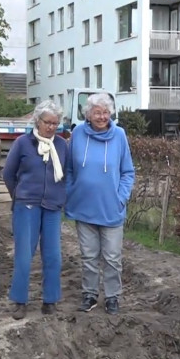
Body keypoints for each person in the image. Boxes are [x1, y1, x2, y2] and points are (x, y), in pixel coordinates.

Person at [65, 92, 135, 315]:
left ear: (111, 114)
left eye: (106, 112)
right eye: (97, 112)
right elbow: (68, 169)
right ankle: (90, 294)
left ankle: (112, 297)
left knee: (112, 258)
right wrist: (70, 192)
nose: (102, 116)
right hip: (83, 207)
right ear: (88, 114)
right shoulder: (77, 133)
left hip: (111, 208)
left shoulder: (119, 135)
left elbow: (128, 172)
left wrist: (121, 197)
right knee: (88, 256)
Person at [2, 100, 70, 319]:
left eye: (55, 124)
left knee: (53, 256)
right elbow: (8, 174)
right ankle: (20, 301)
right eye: (47, 122)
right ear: (37, 121)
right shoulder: (23, 143)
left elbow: (67, 175)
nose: (51, 127)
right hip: (26, 206)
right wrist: (20, 196)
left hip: (52, 207)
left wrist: (61, 196)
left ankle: (50, 301)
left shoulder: (61, 146)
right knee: (24, 255)